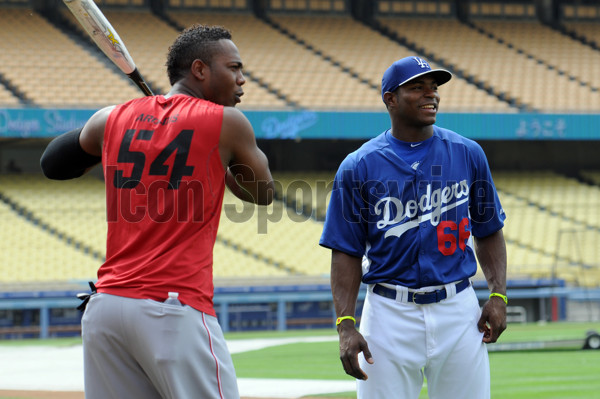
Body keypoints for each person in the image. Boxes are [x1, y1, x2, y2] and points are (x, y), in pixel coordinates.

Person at [40, 24, 274, 399]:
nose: (242, 80)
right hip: (172, 308)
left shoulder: (110, 117)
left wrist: (122, 123)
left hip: (107, 308)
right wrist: (224, 163)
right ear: (200, 70)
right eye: (233, 68)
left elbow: (52, 163)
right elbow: (263, 194)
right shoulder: (228, 123)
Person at [319, 56, 507, 399]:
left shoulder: (468, 153)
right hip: (389, 312)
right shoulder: (358, 165)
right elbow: (345, 251)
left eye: (434, 88)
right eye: (417, 87)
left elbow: (489, 229)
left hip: (459, 308)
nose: (430, 94)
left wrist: (497, 294)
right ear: (390, 98)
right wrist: (345, 323)